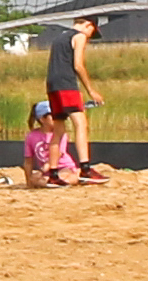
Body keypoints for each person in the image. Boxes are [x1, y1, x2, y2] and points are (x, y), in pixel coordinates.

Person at [44, 12, 109, 182]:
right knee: (80, 124)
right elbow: (78, 65)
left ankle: (53, 173)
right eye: (92, 31)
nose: (90, 36)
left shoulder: (59, 38)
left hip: (52, 85)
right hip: (67, 84)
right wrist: (91, 90)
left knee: (58, 130)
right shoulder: (79, 36)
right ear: (88, 25)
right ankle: (85, 168)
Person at [23, 100, 80, 187]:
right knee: (37, 181)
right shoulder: (31, 136)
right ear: (42, 119)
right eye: (53, 115)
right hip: (47, 172)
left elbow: (57, 155)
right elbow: (28, 161)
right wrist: (29, 181)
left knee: (68, 178)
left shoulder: (61, 133)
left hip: (63, 167)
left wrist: (41, 171)